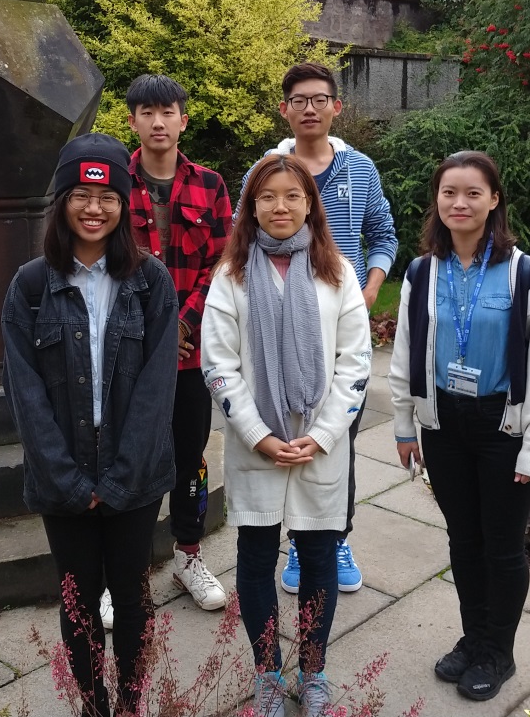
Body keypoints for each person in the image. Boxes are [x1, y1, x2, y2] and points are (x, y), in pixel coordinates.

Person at [1, 133, 179, 717]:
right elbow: (24, 393)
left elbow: (157, 388)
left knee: (131, 594)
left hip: (135, 471)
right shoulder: (31, 286)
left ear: (124, 205)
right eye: (80, 195)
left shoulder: (150, 281)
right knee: (77, 600)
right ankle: (92, 704)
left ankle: (129, 702)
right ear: (62, 203)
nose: (94, 209)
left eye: (107, 198)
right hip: (63, 472)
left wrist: (123, 477)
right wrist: (69, 481)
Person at [388, 151, 530, 703]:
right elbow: (405, 353)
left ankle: (497, 652)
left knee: (502, 548)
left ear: (494, 200)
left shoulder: (524, 274)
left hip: (502, 429)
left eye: (472, 193)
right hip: (443, 424)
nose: (459, 203)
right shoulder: (422, 272)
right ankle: (474, 638)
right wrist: (404, 425)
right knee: (464, 541)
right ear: (437, 201)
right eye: (449, 193)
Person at [203, 153, 372, 717]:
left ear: (309, 205)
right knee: (254, 560)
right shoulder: (231, 275)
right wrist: (257, 433)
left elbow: (356, 362)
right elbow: (218, 363)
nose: (281, 206)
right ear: (251, 207)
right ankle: (268, 674)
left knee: (320, 558)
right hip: (259, 447)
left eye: (292, 196)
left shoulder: (337, 272)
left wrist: (323, 435)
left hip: (320, 446)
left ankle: (314, 671)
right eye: (268, 196)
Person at [248, 62, 398, 595]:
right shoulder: (266, 170)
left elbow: (383, 233)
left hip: (341, 327)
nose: (309, 108)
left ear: (336, 106)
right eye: (299, 100)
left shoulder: (360, 169)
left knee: (337, 437)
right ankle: (296, 540)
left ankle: (334, 537)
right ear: (284, 109)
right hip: (277, 328)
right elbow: (244, 237)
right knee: (281, 433)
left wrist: (371, 287)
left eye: (319, 99)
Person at [123, 73, 233, 614]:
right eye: (147, 112)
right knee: (129, 458)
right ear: (133, 122)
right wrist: (153, 332)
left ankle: (188, 554)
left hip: (190, 356)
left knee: (190, 457)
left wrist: (181, 327)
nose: (158, 121)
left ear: (183, 120)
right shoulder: (114, 183)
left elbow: (222, 264)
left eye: (167, 111)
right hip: (129, 354)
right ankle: (125, 570)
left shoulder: (211, 185)